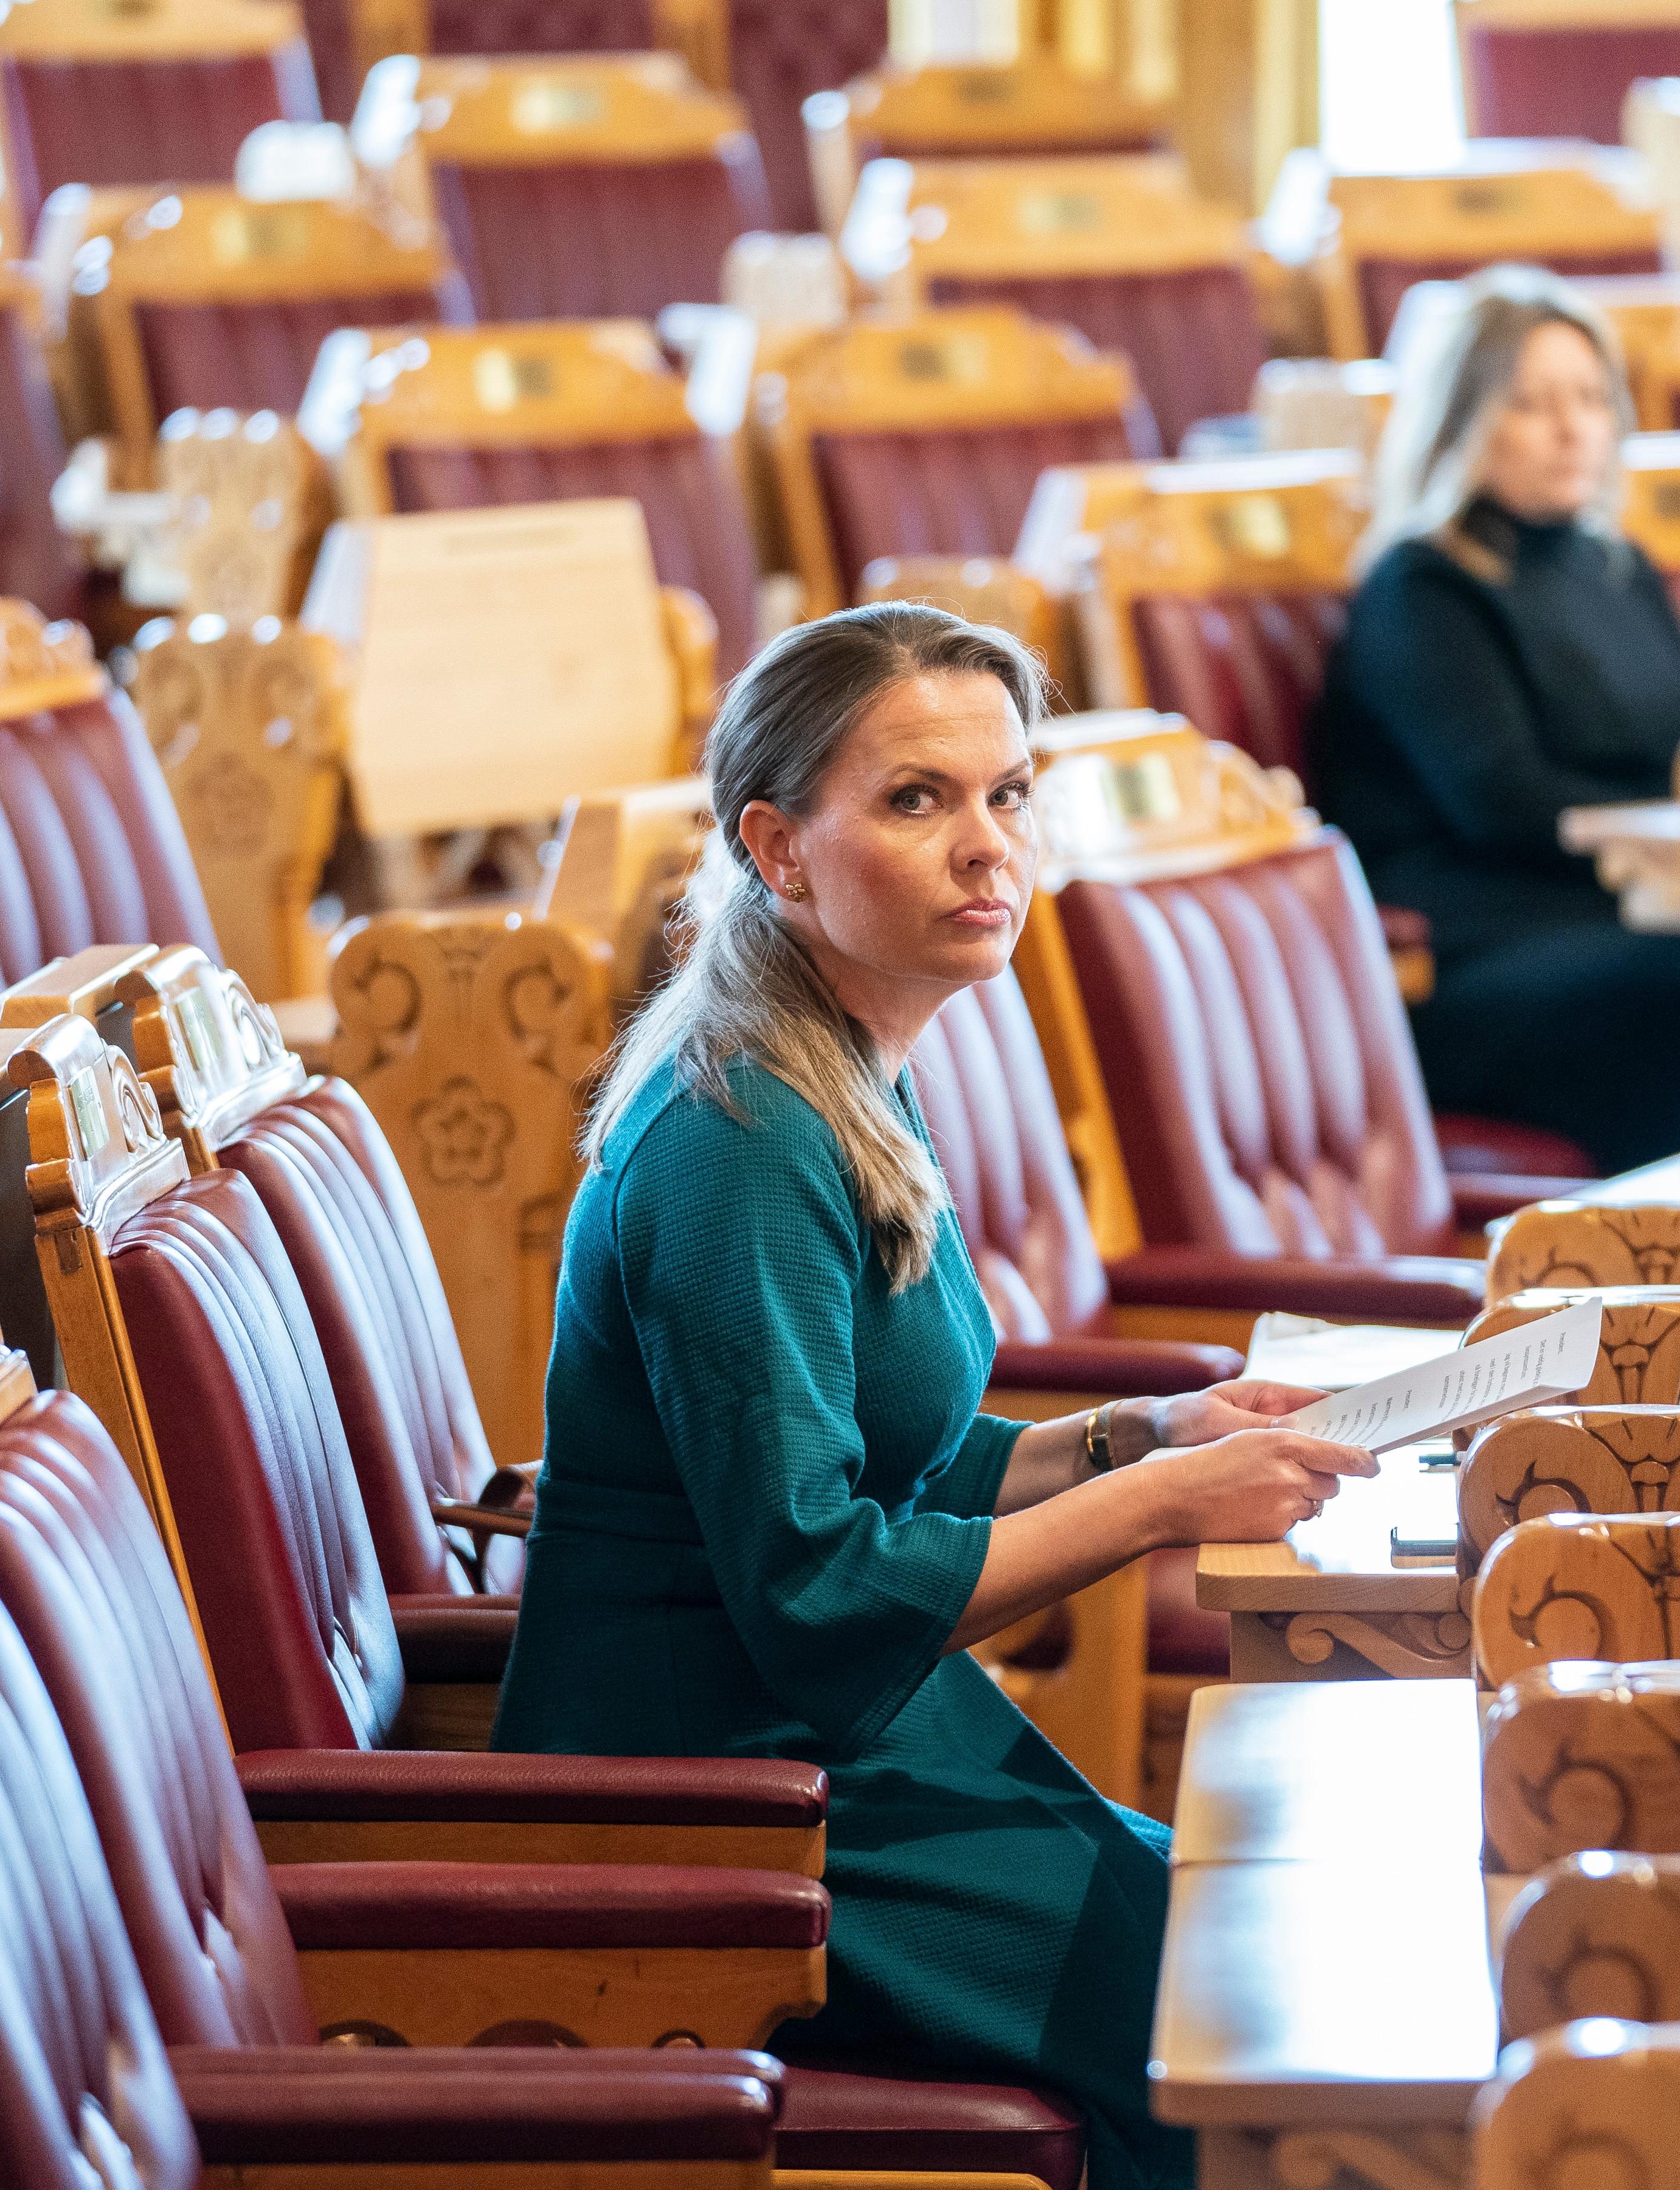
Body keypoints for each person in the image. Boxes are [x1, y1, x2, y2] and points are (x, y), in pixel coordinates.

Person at [490, 602, 1374, 2190]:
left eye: (1008, 793)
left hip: (848, 1742)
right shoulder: (738, 1136)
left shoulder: (841, 1062)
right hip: (715, 1799)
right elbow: (816, 1588)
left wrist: (1140, 1431)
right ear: (776, 845)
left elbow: (888, 1454)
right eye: (918, 799)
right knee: (1235, 2026)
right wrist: (1158, 1503)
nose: (988, 847)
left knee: (1251, 1946)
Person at [1308, 265, 1680, 1173]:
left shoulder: (1618, 567)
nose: (1573, 427)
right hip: (1475, 947)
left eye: (1588, 396)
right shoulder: (1421, 585)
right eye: (1533, 403)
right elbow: (1499, 799)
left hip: (1624, 906)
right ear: (1463, 422)